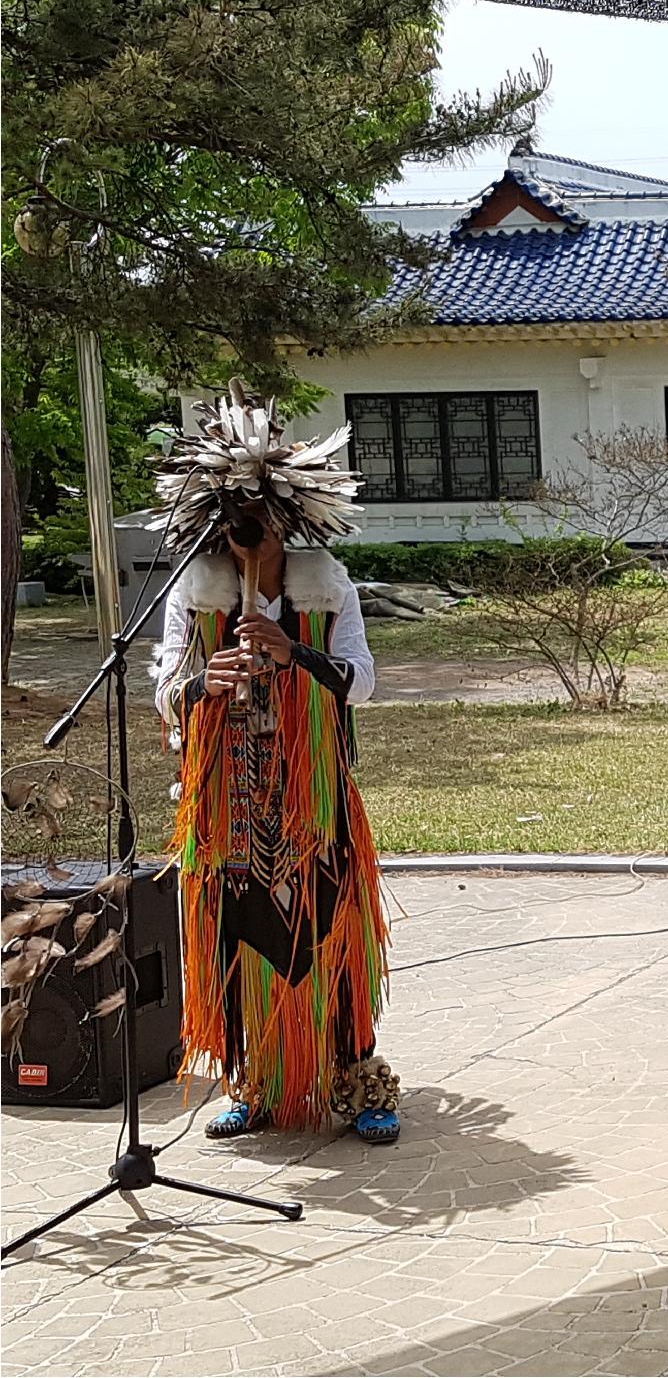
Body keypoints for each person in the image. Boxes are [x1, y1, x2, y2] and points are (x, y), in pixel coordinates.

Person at [150, 389, 397, 1143]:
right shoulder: (195, 597)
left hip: (313, 802)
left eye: (259, 518)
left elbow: (363, 678)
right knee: (235, 933)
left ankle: (357, 1081)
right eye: (232, 521)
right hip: (227, 800)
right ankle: (251, 1081)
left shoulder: (327, 587)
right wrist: (200, 682)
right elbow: (164, 690)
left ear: (288, 518)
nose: (246, 535)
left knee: (329, 931)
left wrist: (296, 654)